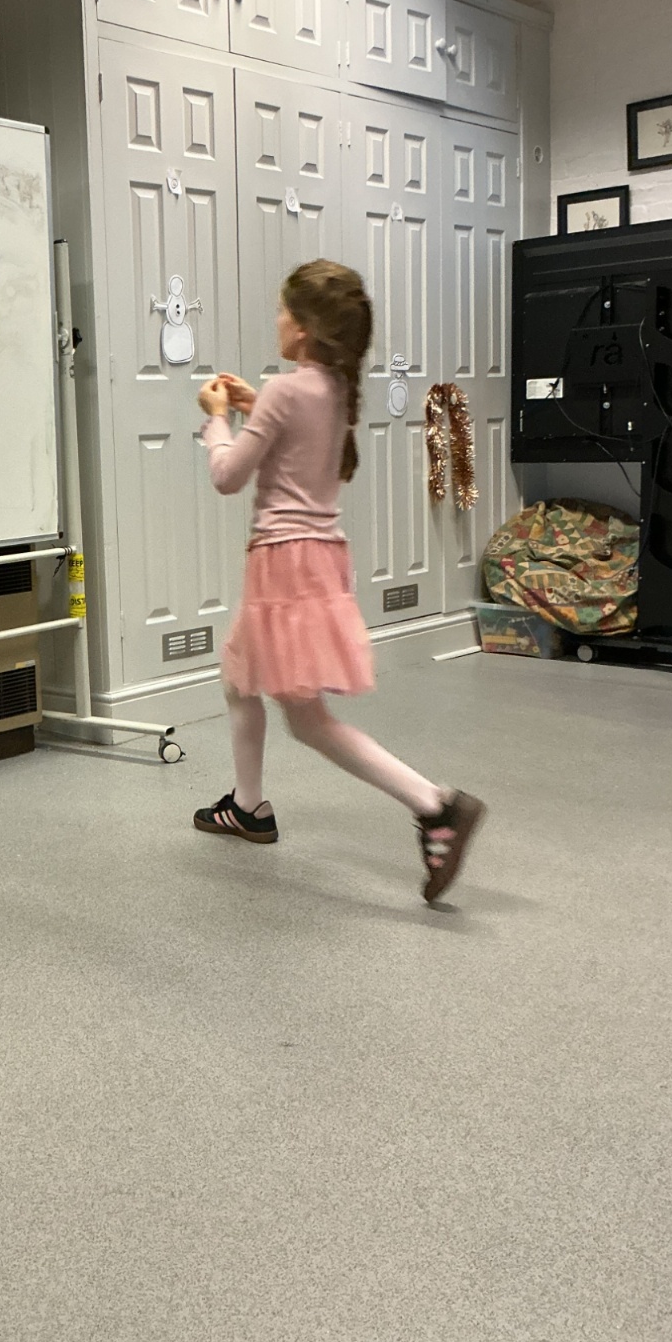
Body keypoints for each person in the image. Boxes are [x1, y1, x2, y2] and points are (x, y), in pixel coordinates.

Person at [194, 258, 484, 904]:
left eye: (282, 312)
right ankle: (248, 806)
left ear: (303, 329)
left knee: (306, 720)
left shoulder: (286, 391)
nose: (276, 320)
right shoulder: (331, 387)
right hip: (317, 559)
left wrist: (215, 419)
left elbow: (227, 476)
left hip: (283, 564)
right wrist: (253, 404)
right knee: (238, 675)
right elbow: (294, 433)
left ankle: (435, 804)